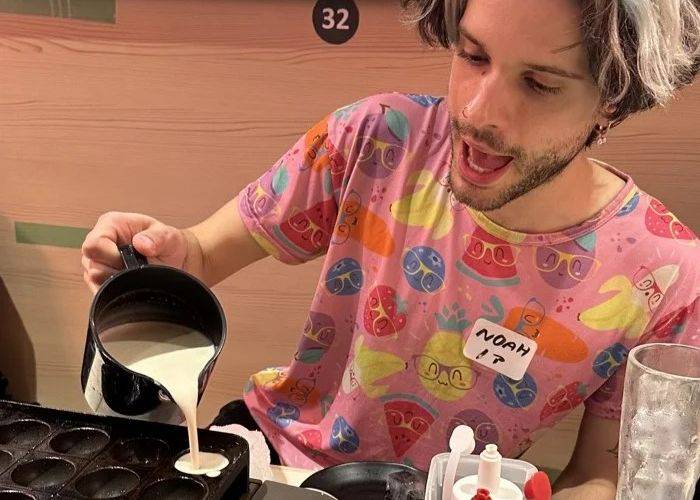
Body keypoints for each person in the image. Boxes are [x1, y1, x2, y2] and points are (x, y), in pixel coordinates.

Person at [81, 0, 700, 497]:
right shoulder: (379, 138)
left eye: (538, 84)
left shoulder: (666, 275)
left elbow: (604, 474)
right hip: (274, 462)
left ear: (614, 97)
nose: (478, 111)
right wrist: (161, 258)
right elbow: (202, 253)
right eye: (473, 55)